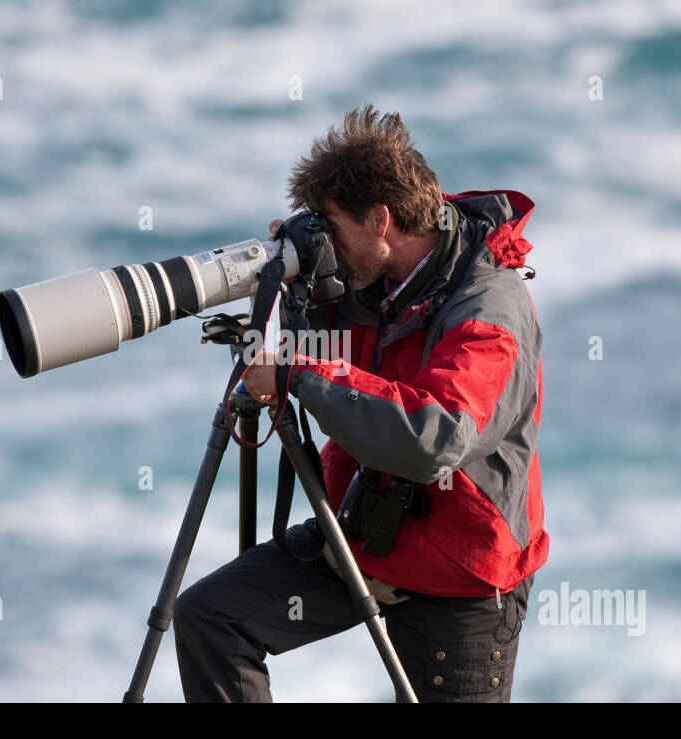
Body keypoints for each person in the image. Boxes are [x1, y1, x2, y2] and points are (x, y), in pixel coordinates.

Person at [172, 104, 547, 702]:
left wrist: (298, 375)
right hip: (362, 531)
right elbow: (330, 360)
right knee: (211, 619)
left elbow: (438, 434)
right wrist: (301, 292)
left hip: (460, 576)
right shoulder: (371, 276)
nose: (328, 243)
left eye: (331, 226)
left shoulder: (489, 309)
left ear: (380, 219)